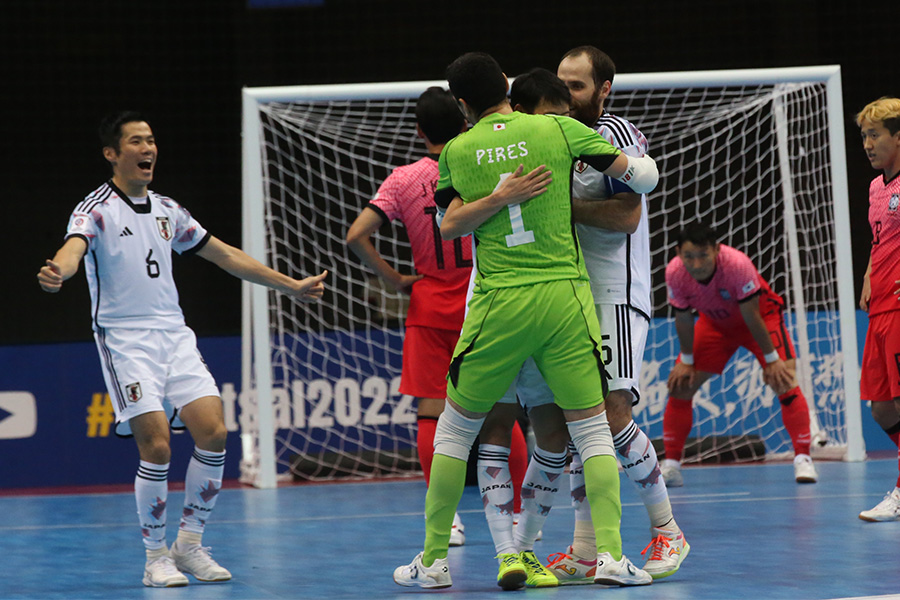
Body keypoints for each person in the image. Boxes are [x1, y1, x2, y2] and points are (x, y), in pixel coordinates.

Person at [392, 51, 659, 590]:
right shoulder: (557, 129)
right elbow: (644, 179)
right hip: (565, 302)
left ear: (463, 105)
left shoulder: (460, 150)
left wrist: (497, 196)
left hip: (498, 305)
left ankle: (435, 562)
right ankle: (609, 556)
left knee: (454, 434)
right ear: (507, 87)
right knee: (592, 435)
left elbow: (446, 227)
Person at [37, 111, 327, 588]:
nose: (147, 149)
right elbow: (73, 248)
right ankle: (155, 558)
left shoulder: (170, 210)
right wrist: (58, 272)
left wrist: (289, 285)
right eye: (136, 141)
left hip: (174, 335)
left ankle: (188, 545)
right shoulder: (95, 208)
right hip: (124, 339)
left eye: (151, 140)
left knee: (214, 432)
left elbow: (225, 254)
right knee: (156, 444)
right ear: (112, 153)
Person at [345, 88, 529, 546]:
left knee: (431, 413)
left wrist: (392, 278)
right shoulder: (478, 162)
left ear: (419, 131)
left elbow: (356, 235)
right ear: (465, 119)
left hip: (428, 304)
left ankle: (447, 521)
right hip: (483, 299)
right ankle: (521, 515)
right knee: (502, 410)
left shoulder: (403, 179)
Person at [661, 220, 818, 487]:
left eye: (703, 256)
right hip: (714, 324)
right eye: (689, 256)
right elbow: (684, 319)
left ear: (716, 250)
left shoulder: (736, 264)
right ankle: (672, 466)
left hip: (760, 319)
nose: (696, 264)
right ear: (678, 252)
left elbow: (751, 313)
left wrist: (771, 360)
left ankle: (803, 459)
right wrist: (686, 361)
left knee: (784, 379)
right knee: (681, 384)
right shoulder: (675, 272)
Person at [854, 97, 900, 522]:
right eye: (864, 136)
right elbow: (880, 238)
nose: (867, 144)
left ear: (898, 137)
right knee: (881, 406)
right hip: (880, 309)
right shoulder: (875, 188)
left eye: (875, 135)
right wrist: (869, 275)